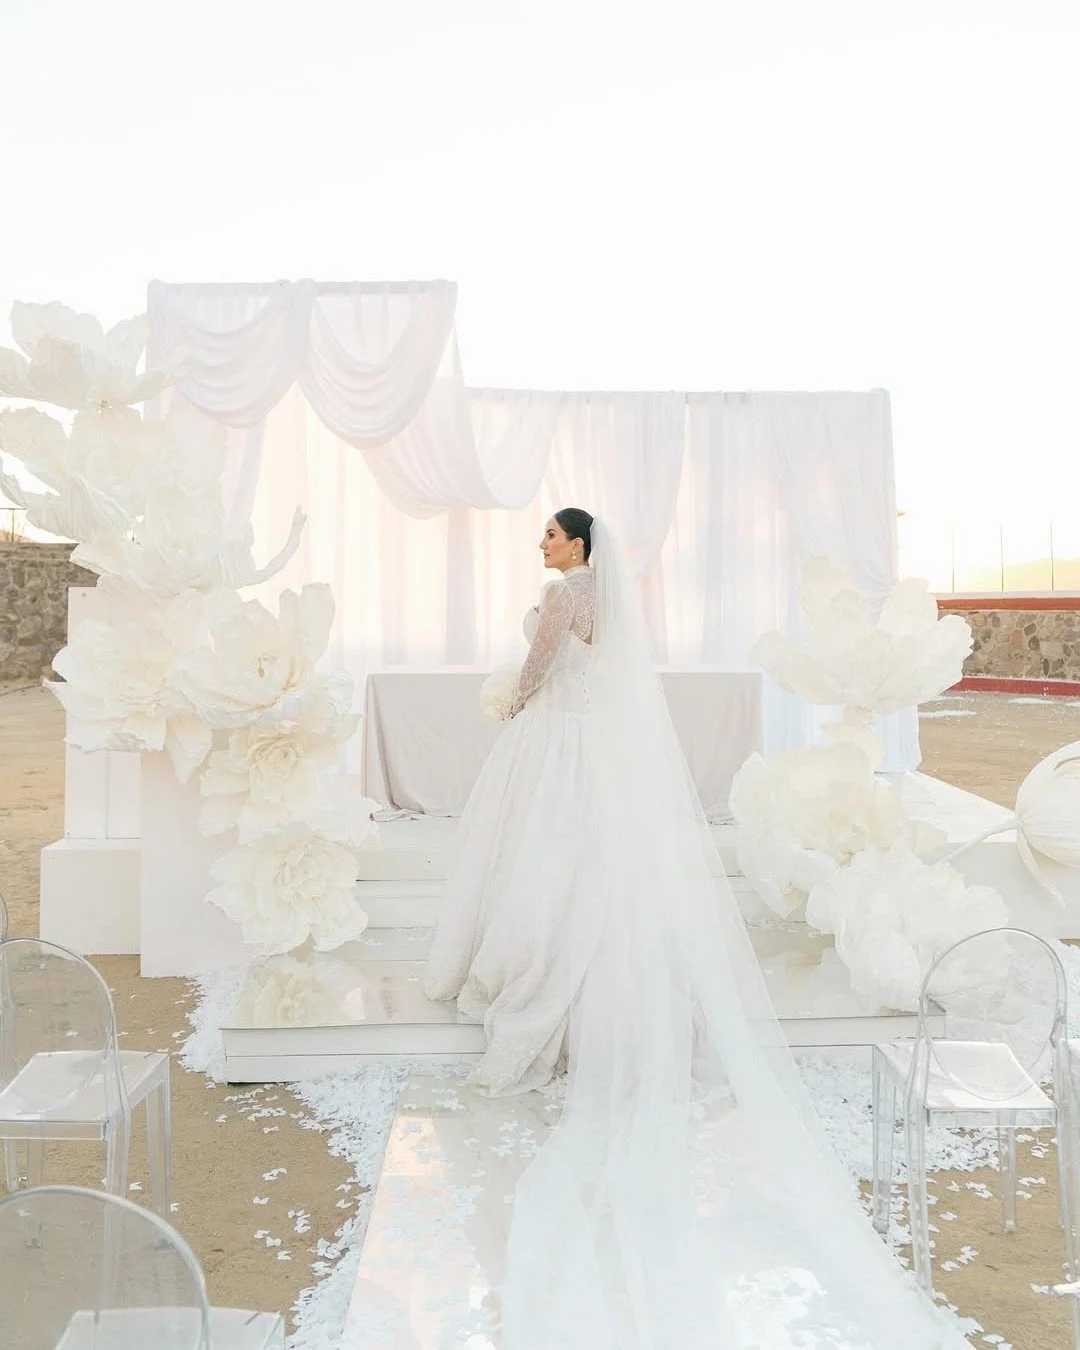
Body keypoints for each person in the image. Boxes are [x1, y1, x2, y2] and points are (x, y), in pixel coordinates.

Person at [425, 510, 968, 1349]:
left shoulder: (560, 594)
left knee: (542, 859)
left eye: (552, 534)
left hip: (553, 742)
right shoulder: (609, 601)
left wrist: (512, 700)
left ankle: (534, 982)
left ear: (579, 545)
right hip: (591, 745)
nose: (543, 544)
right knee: (589, 867)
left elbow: (540, 665)